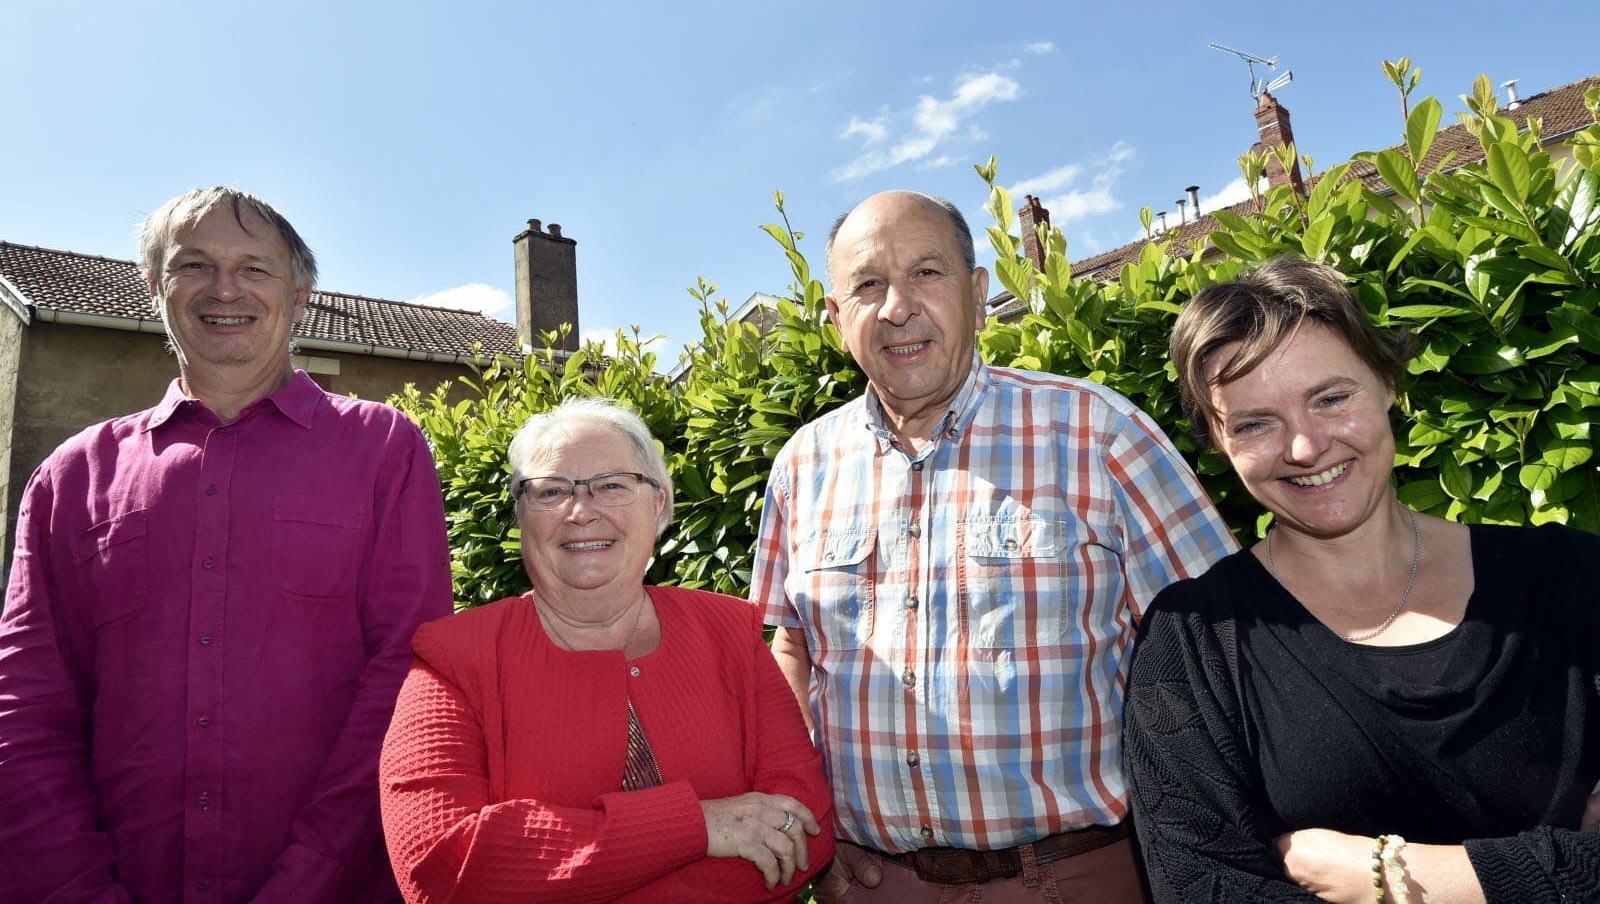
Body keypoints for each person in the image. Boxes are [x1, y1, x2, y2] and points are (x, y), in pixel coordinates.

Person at [750, 189, 1237, 902]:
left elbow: (1225, 642)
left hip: (1073, 879)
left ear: (978, 294)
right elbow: (791, 650)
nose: (897, 308)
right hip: (874, 883)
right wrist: (816, 829)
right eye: (868, 285)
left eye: (926, 272)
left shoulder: (1098, 433)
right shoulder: (802, 465)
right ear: (836, 318)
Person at [0, 186, 454, 901]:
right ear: (154, 288)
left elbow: (408, 677)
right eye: (194, 265)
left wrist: (310, 881)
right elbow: (27, 707)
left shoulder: (383, 449)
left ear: (299, 297)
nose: (224, 289)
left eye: (254, 268)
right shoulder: (71, 477)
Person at [1125, 254, 1600, 902]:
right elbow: (1202, 888)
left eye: (1330, 398)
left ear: (1387, 384)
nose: (1304, 448)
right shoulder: (1192, 644)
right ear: (1218, 439)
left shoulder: (1572, 577)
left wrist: (1389, 875)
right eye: (1255, 423)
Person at [379, 397, 834, 901]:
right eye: (551, 491)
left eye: (612, 485)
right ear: (521, 514)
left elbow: (807, 828)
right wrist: (700, 827)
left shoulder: (730, 631)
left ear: (658, 503)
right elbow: (439, 864)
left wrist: (574, 867)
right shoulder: (455, 658)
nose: (580, 511)